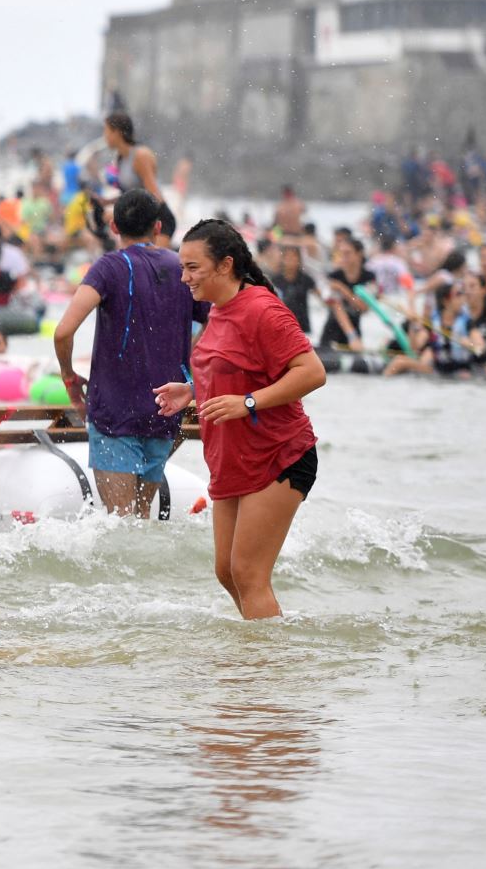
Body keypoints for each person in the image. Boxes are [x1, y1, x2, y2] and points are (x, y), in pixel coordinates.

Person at [155, 220, 326, 619]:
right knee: (227, 572)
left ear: (225, 265)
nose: (184, 277)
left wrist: (248, 403)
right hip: (233, 458)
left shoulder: (263, 309)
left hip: (279, 455)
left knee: (248, 573)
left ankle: (265, 670)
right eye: (183, 267)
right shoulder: (219, 310)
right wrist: (192, 390)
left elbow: (312, 372)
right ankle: (258, 659)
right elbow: (232, 366)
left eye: (193, 268)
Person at [52, 189, 197, 517]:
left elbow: (63, 332)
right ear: (158, 227)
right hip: (164, 409)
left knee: (120, 522)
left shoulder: (109, 268)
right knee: (140, 518)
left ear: (114, 227)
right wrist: (191, 367)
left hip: (115, 410)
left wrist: (69, 377)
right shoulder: (181, 268)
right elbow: (217, 319)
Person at [102, 113, 175, 246]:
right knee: (124, 264)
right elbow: (129, 194)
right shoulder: (121, 159)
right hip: (138, 223)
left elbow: (153, 196)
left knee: (154, 266)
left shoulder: (141, 155)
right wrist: (105, 202)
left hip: (158, 220)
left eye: (106, 131)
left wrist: (117, 214)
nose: (104, 137)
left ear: (117, 132)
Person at [319, 238, 375, 350]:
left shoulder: (369, 277)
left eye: (348, 253)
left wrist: (343, 289)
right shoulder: (333, 276)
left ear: (359, 254)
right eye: (341, 254)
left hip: (355, 329)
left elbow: (364, 308)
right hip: (333, 332)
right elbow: (335, 306)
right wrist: (352, 336)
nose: (343, 257)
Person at [271, 245, 316, 334]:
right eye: (287, 257)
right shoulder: (276, 280)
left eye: (293, 256)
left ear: (299, 259)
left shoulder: (305, 279)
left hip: (301, 324)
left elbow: (322, 296)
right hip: (281, 323)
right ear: (282, 259)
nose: (290, 259)